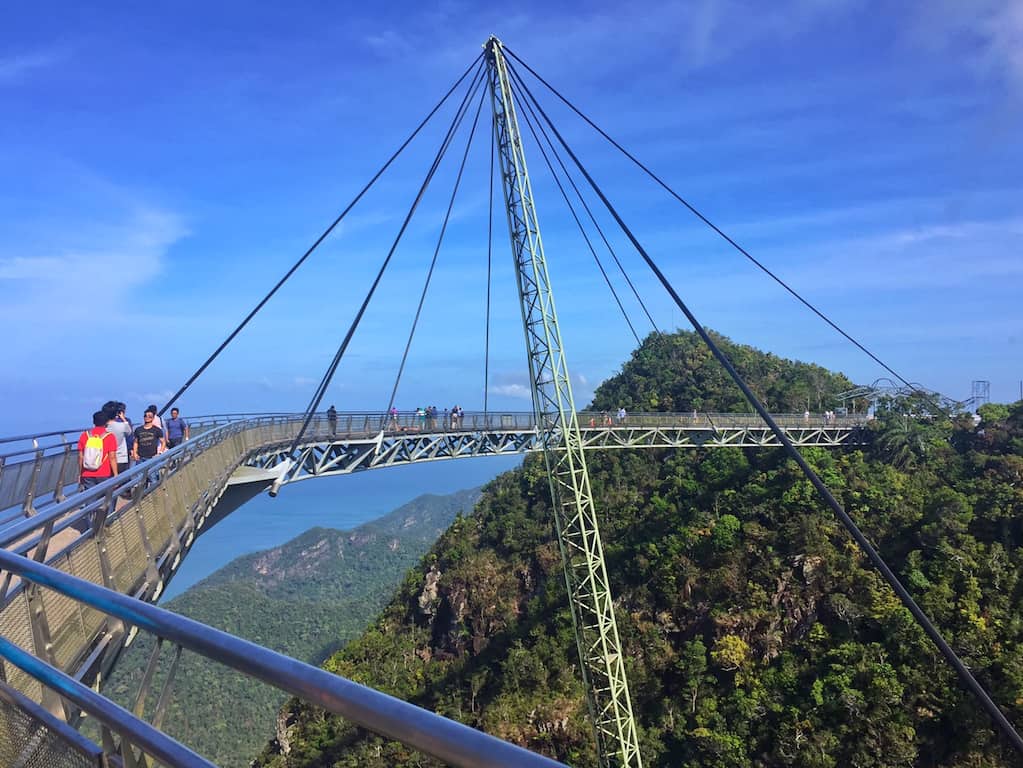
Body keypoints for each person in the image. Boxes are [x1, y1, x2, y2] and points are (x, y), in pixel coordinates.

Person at [78, 411, 118, 490]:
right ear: (106, 422)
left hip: (87, 472)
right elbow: (112, 457)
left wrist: (80, 473)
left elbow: (80, 456)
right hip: (104, 472)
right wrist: (116, 474)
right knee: (106, 498)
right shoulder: (110, 436)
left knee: (90, 498)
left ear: (93, 421)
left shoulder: (85, 435)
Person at [106, 404, 133, 475]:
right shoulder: (125, 423)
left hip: (108, 456)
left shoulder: (106, 424)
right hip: (122, 455)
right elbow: (129, 433)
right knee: (124, 476)